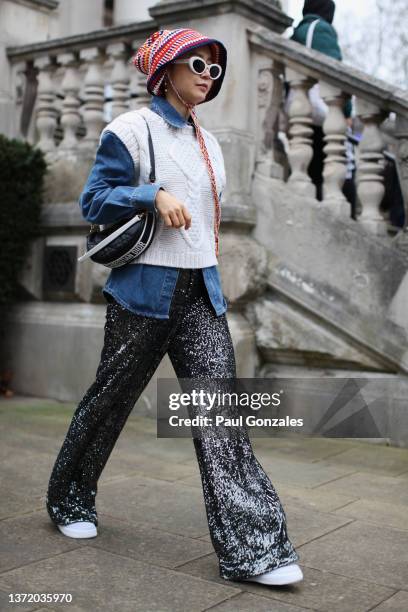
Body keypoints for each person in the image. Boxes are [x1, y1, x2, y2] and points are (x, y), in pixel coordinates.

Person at [45, 28, 303, 586]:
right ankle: (69, 499)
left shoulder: (211, 146)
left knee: (223, 419)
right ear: (166, 68)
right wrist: (151, 194)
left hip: (200, 295)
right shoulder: (130, 130)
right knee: (111, 398)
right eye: (198, 64)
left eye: (216, 69)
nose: (208, 76)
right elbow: (93, 200)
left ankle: (256, 549)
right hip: (142, 292)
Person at [291, 0, 353, 202]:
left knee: (308, 166)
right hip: (320, 112)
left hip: (297, 109)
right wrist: (347, 112)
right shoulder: (322, 30)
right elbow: (338, 75)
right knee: (330, 170)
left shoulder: (297, 33)